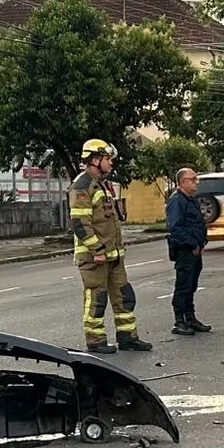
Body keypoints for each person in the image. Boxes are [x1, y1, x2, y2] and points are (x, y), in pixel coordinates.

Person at [69, 138, 152, 354]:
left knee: (124, 295)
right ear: (95, 160)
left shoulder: (102, 184)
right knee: (97, 298)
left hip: (113, 256)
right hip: (94, 257)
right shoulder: (82, 186)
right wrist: (96, 250)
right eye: (107, 159)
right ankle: (95, 341)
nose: (111, 163)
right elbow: (80, 222)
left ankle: (128, 338)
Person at [165, 167, 211, 336]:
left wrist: (202, 241)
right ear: (183, 182)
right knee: (183, 285)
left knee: (192, 285)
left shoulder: (190, 199)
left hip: (195, 250)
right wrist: (192, 244)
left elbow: (196, 223)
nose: (196, 182)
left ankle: (190, 318)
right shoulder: (177, 201)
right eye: (193, 179)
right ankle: (179, 321)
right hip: (185, 250)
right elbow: (175, 229)